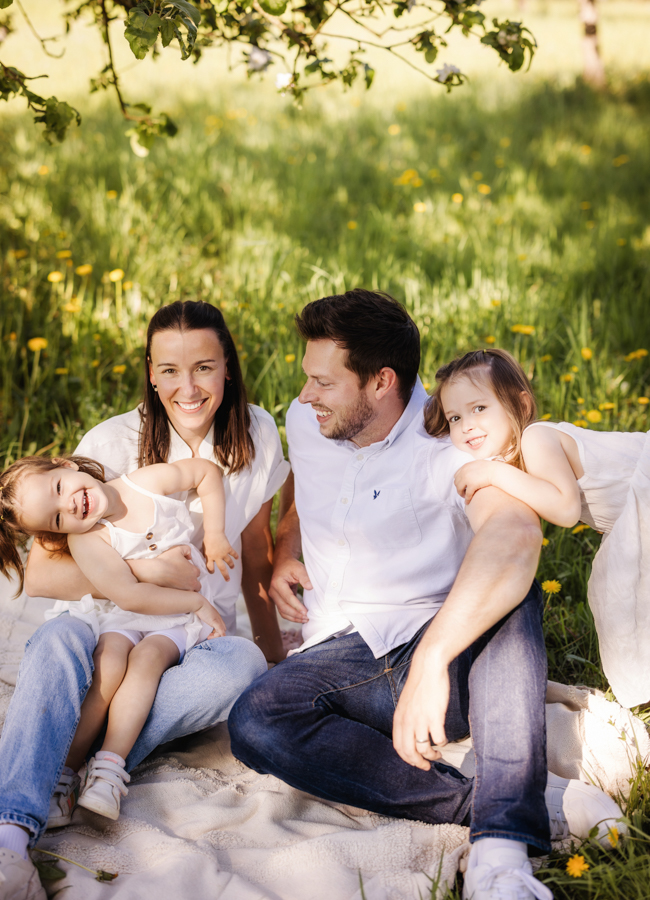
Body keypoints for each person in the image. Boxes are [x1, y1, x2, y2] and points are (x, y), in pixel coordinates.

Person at [228, 290, 624, 900]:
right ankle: (506, 803)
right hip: (342, 657)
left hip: (444, 661)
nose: (305, 396)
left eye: (323, 382)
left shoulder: (453, 441)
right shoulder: (308, 421)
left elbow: (516, 535)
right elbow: (304, 486)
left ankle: (499, 856)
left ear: (381, 381)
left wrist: (434, 659)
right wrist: (285, 549)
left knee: (512, 596)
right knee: (256, 719)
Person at [0, 300, 289, 899]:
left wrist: (274, 654)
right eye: (170, 371)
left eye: (204, 367)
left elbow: (255, 546)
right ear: (151, 374)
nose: (189, 388)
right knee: (55, 642)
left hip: (188, 632)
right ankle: (11, 831)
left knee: (241, 666)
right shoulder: (112, 442)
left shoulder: (256, 431)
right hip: (103, 617)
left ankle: (84, 757)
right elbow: (45, 575)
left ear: (228, 366)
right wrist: (144, 570)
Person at [0, 453, 237, 821]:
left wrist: (215, 534)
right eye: (57, 518)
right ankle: (65, 772)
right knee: (108, 663)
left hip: (174, 619)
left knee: (146, 660)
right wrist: (195, 601)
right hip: (131, 613)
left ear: (66, 465)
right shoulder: (86, 540)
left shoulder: (144, 483)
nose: (69, 505)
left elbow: (205, 472)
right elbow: (128, 596)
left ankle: (109, 767)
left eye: (59, 488)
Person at [426, 347, 650, 709]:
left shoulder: (537, 437)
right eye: (454, 417)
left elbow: (564, 509)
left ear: (521, 405)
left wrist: (493, 472)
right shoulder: (520, 460)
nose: (466, 425)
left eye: (479, 408)